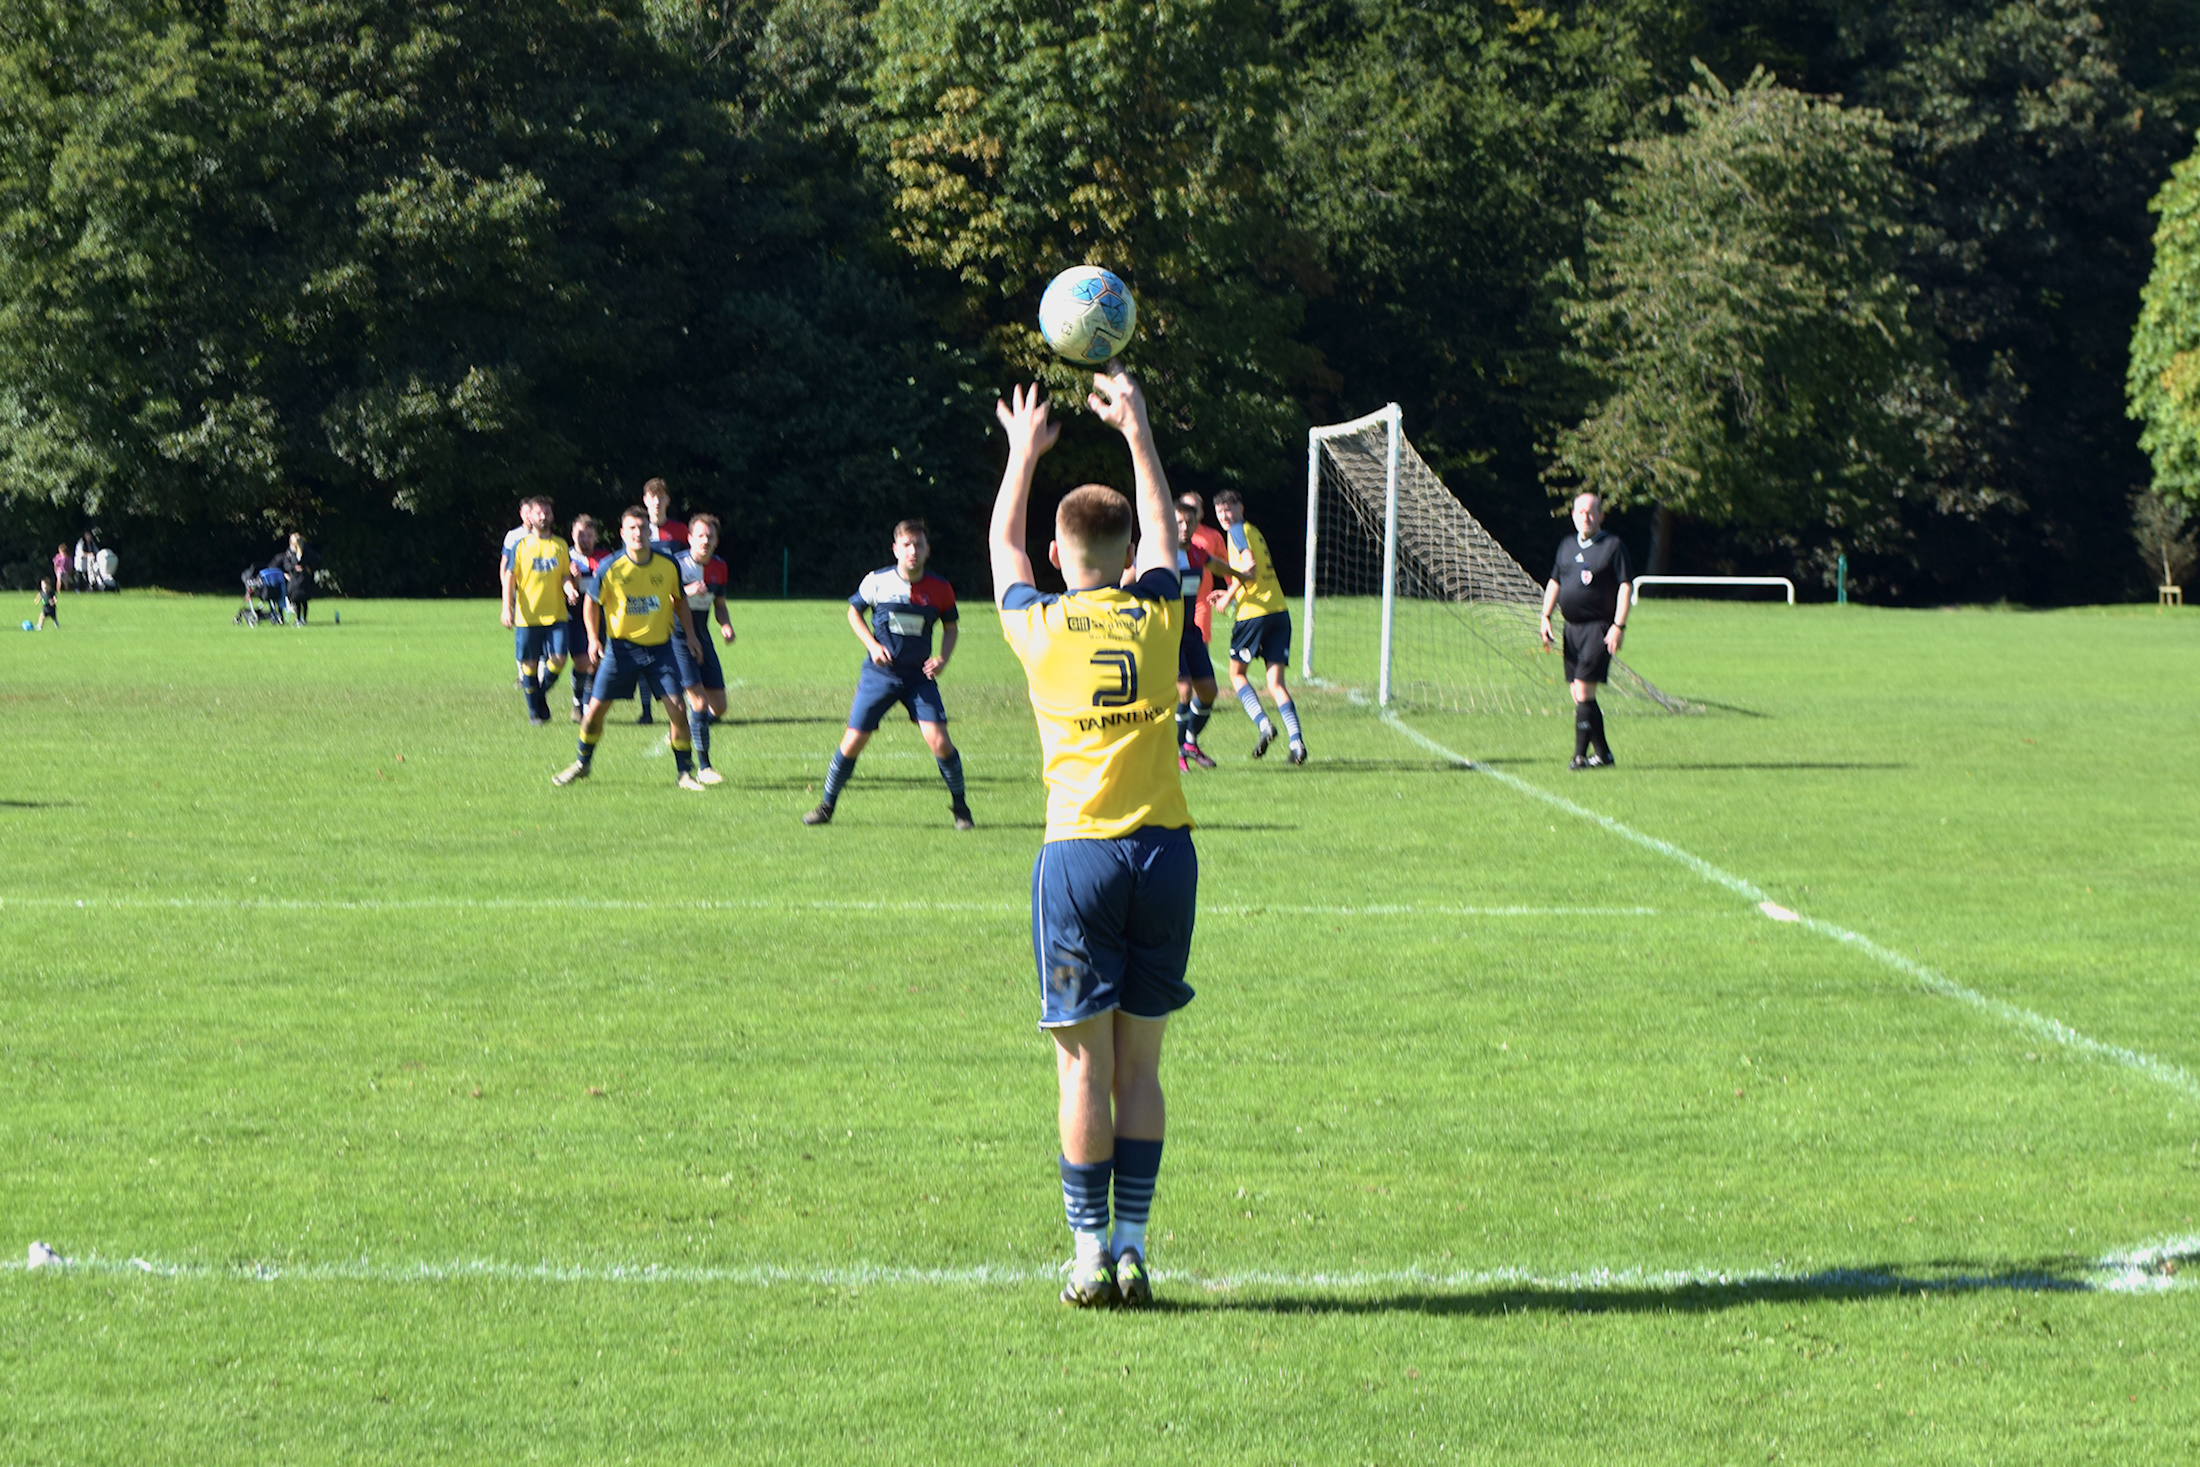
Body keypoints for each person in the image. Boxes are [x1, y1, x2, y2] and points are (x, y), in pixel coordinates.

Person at [991, 369, 1195, 1310]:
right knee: (1141, 1065)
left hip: (1077, 855)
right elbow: (1164, 534)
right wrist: (1138, 432)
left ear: (1058, 552)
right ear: (1122, 552)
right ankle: (1134, 1245)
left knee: (1082, 1064)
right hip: (1162, 854)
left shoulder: (1037, 626)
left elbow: (1001, 546)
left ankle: (1083, 1256)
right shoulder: (1157, 613)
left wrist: (1020, 453)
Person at [803, 519, 970, 829]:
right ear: (895, 549)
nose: (913, 551)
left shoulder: (940, 588)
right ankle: (826, 805)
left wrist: (942, 658)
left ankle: (961, 808)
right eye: (906, 545)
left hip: (919, 677)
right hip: (880, 675)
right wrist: (872, 644)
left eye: (918, 545)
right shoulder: (877, 581)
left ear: (927, 550)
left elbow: (951, 626)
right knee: (852, 742)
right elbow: (853, 612)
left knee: (940, 742)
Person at [555, 507, 706, 791]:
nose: (638, 533)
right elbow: (591, 602)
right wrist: (593, 638)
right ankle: (581, 762)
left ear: (650, 532)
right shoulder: (610, 566)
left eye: (642, 528)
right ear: (623, 534)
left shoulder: (667, 565)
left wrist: (691, 636)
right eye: (632, 529)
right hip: (621, 650)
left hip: (660, 651)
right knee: (594, 713)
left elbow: (679, 600)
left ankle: (685, 772)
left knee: (677, 710)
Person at [1539, 491, 1633, 770]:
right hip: (1572, 629)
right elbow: (1555, 581)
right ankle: (1603, 755)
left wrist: (1618, 625)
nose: (1586, 517)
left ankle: (1579, 756)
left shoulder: (1613, 546)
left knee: (1583, 690)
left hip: (1599, 628)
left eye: (1591, 512)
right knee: (1579, 694)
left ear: (1601, 515)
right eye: (1580, 512)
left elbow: (1625, 586)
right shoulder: (1567, 546)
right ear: (1573, 516)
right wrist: (1545, 616)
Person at [1211, 490, 1306, 764]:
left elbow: (1249, 567)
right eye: (1220, 512)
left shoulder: (1238, 531)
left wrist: (1229, 597)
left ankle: (1264, 724)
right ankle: (1296, 742)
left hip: (1253, 615)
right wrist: (1230, 592)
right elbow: (1252, 574)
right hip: (1279, 611)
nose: (1225, 516)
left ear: (1241, 508)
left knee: (1236, 674)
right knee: (1275, 683)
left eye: (1229, 510)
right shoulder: (1253, 530)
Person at [673, 514, 737, 784]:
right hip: (677, 635)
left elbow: (719, 604)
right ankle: (704, 766)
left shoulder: (719, 567)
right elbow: (666, 600)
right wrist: (686, 591)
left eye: (709, 536)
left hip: (702, 633)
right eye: (700, 535)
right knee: (698, 702)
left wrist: (726, 625)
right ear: (689, 538)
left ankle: (687, 728)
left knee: (719, 706)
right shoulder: (676, 565)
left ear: (716, 541)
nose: (705, 541)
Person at [500, 496, 571, 724]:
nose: (543, 516)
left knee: (559, 658)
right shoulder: (521, 546)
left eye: (547, 512)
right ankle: (534, 713)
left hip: (556, 614)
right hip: (527, 616)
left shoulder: (560, 545)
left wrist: (569, 587)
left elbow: (565, 575)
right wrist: (506, 608)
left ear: (552, 516)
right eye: (538, 512)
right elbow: (509, 578)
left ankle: (538, 695)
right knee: (529, 665)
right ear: (529, 516)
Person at [1171, 494, 1221, 770]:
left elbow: (1214, 564)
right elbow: (1132, 576)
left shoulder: (1196, 552)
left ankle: (1189, 742)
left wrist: (1239, 576)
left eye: (1189, 522)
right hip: (1170, 635)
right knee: (1184, 691)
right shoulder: (1163, 553)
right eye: (1179, 521)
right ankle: (1176, 751)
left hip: (1192, 633)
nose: (1184, 527)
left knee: (1209, 691)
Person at [565, 514, 611, 723]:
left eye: (589, 535)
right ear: (573, 534)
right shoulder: (565, 558)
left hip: (599, 616)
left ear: (595, 537)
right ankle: (578, 701)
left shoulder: (606, 558)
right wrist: (571, 582)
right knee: (582, 661)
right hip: (573, 616)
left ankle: (586, 705)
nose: (585, 539)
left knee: (596, 661)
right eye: (581, 534)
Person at [273, 533, 320, 624]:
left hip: (304, 578)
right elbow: (286, 564)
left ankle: (304, 619)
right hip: (294, 579)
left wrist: (307, 567)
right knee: (296, 599)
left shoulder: (306, 551)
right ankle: (298, 619)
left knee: (304, 600)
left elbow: (313, 559)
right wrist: (294, 568)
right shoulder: (289, 553)